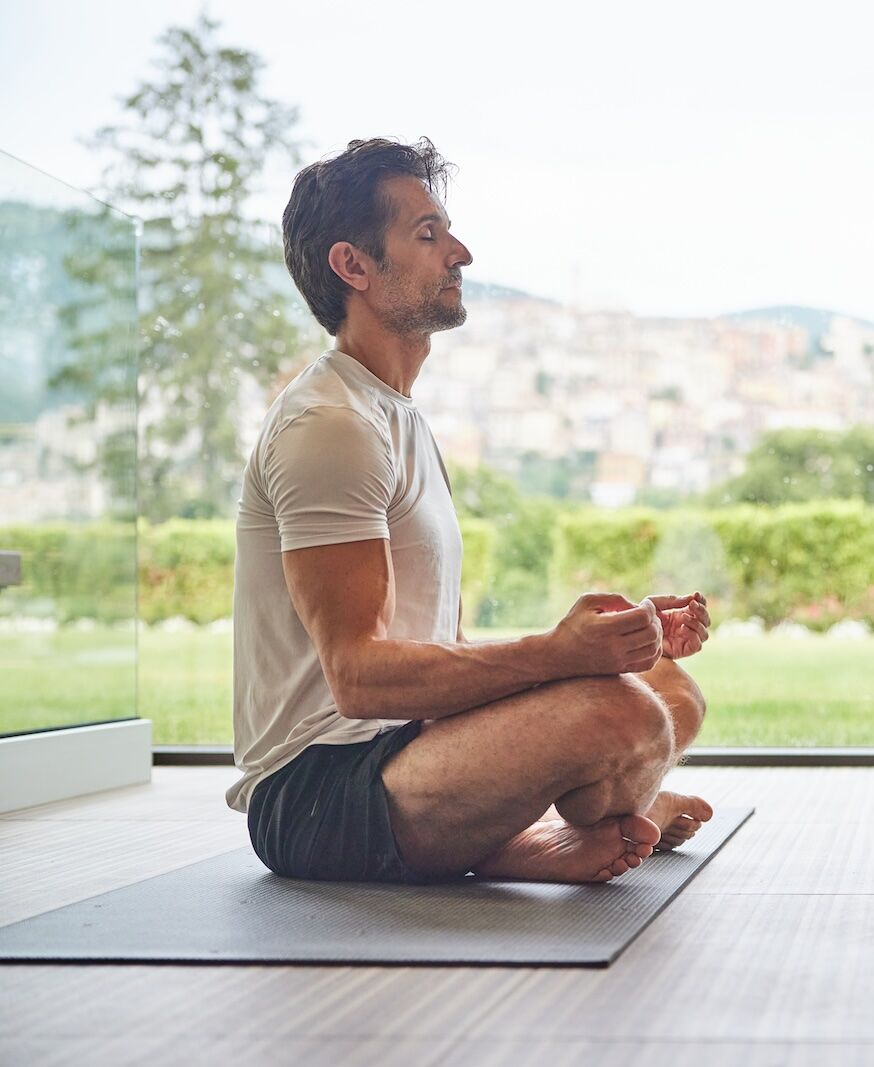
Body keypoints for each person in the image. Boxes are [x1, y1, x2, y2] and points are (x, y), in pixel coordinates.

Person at [227, 137, 714, 884]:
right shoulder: (330, 426)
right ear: (353, 266)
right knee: (629, 717)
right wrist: (561, 656)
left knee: (670, 686)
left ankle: (543, 825)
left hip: (407, 746)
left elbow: (435, 646)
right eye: (427, 234)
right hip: (319, 795)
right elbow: (357, 678)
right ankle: (538, 832)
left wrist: (617, 642)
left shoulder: (398, 416)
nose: (460, 252)